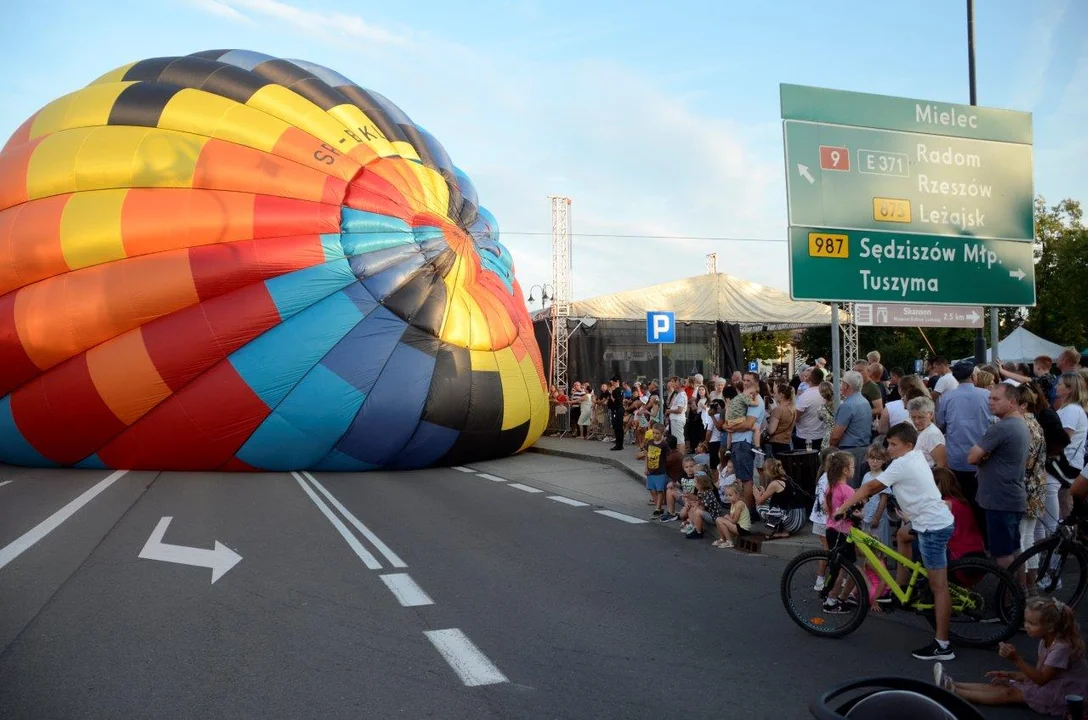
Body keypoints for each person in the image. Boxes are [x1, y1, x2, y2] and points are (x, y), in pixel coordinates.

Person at [832, 422, 956, 661]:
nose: (889, 448)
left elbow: (870, 486)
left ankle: (943, 645)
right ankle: (900, 588)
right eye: (888, 443)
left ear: (908, 445)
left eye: (893, 444)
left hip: (932, 528)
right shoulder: (916, 456)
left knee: (938, 588)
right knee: (901, 536)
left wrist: (844, 507)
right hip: (932, 520)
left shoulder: (902, 464)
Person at [935, 597, 1088, 716]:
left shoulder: (1061, 647)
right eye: (1026, 621)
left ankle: (955, 692)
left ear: (1050, 627)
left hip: (1064, 693)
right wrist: (1010, 674)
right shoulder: (1046, 641)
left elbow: (1042, 679)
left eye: (1032, 623)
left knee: (1009, 693)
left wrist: (1016, 659)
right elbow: (1039, 673)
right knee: (1001, 685)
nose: (1026, 626)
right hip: (1052, 683)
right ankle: (953, 684)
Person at [967, 383, 1030, 568]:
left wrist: (982, 457)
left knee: (1002, 553)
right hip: (1011, 496)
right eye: (990, 398)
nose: (990, 402)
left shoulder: (1001, 428)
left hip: (999, 499)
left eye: (996, 399)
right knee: (1014, 548)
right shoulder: (1020, 423)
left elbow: (972, 457)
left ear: (1011, 402)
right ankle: (1020, 592)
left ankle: (1008, 595)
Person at [821, 451, 862, 614]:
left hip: (831, 530)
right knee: (846, 568)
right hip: (843, 533)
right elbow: (851, 511)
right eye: (852, 466)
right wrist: (860, 514)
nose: (854, 469)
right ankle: (833, 600)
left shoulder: (831, 488)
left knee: (838, 567)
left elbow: (826, 508)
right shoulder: (848, 490)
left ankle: (836, 597)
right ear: (845, 470)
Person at [723, 371, 766, 512]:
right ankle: (744, 510)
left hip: (744, 442)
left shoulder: (757, 400)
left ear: (755, 382)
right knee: (741, 479)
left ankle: (748, 512)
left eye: (748, 380)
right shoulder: (745, 397)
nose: (745, 383)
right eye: (744, 380)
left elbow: (748, 424)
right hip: (737, 441)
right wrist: (728, 425)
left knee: (746, 479)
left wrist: (731, 427)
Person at [830, 370, 872, 485]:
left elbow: (836, 435)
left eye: (842, 382)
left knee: (849, 488)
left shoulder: (848, 405)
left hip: (850, 451)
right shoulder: (865, 402)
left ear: (846, 386)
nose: (841, 385)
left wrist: (831, 449)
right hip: (864, 449)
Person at [752, 457, 808, 538]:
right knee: (769, 503)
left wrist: (756, 493)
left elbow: (759, 501)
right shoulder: (785, 478)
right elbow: (774, 498)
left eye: (764, 470)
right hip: (800, 517)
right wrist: (763, 492)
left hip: (794, 521)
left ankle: (776, 530)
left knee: (760, 507)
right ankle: (784, 531)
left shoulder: (774, 484)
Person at [908, 395, 947, 468]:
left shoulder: (932, 434)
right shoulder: (921, 430)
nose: (916, 421)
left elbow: (942, 464)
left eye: (921, 417)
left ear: (931, 414)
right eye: (913, 417)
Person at [794, 366, 828, 450]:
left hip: (805, 437)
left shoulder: (806, 396)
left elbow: (795, 416)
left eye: (808, 370)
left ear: (807, 378)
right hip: (821, 435)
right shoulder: (826, 393)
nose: (806, 370)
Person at [713, 484, 750, 548]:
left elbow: (734, 521)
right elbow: (732, 517)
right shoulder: (733, 503)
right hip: (737, 526)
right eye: (727, 495)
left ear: (737, 495)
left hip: (742, 529)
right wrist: (727, 518)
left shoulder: (739, 504)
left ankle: (729, 542)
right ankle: (722, 539)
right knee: (718, 520)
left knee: (719, 519)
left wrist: (727, 517)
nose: (728, 497)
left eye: (730, 495)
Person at [643, 424, 669, 515]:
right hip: (650, 470)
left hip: (660, 471)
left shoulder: (664, 445)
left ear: (662, 433)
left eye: (657, 433)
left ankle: (658, 509)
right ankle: (658, 506)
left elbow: (667, 458)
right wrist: (646, 467)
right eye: (653, 433)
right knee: (651, 489)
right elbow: (646, 455)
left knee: (659, 490)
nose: (655, 435)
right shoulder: (650, 442)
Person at [767, 385, 797, 457]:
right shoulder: (793, 409)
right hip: (787, 442)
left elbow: (771, 430)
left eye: (775, 393)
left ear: (781, 394)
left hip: (777, 442)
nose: (774, 395)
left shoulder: (778, 409)